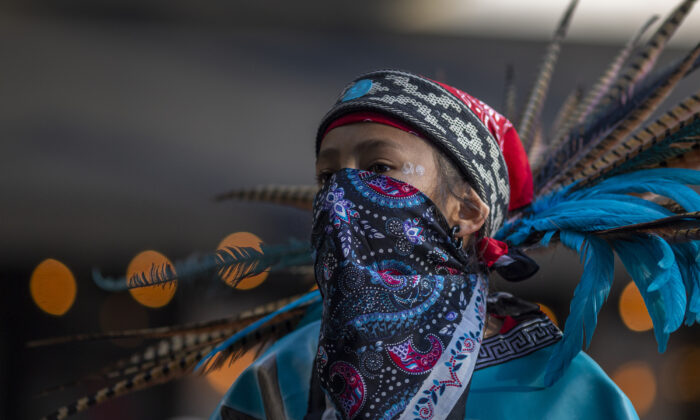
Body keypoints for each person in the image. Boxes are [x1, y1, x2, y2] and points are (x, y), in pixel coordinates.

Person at [209, 70, 639, 420]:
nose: (342, 192)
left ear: (468, 212)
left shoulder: (569, 394)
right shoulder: (280, 377)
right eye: (327, 176)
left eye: (379, 166)